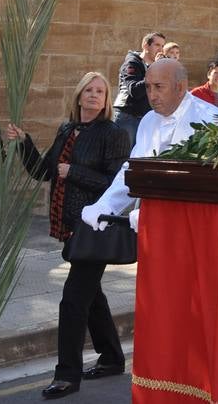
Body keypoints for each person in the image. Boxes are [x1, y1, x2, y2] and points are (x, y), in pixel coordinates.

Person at [7, 72, 130, 400]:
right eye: (88, 90)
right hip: (70, 225)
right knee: (92, 296)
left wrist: (74, 172)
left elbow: (117, 184)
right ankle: (113, 358)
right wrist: (24, 143)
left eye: (100, 91)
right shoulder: (67, 129)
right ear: (77, 96)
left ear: (106, 100)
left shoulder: (113, 133)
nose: (93, 95)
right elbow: (44, 172)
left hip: (96, 227)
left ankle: (67, 376)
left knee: (73, 300)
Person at [81, 59, 218, 234]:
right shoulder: (148, 120)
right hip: (150, 225)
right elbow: (133, 169)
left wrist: (160, 212)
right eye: (147, 87)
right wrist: (106, 204)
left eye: (159, 87)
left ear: (180, 87)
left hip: (195, 225)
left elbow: (207, 181)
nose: (152, 95)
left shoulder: (210, 120)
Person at [113, 32, 166, 145]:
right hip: (128, 117)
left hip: (148, 119)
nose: (160, 50)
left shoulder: (156, 67)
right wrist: (154, 69)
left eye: (162, 46)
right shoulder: (132, 63)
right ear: (145, 45)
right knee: (124, 157)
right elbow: (135, 90)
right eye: (157, 45)